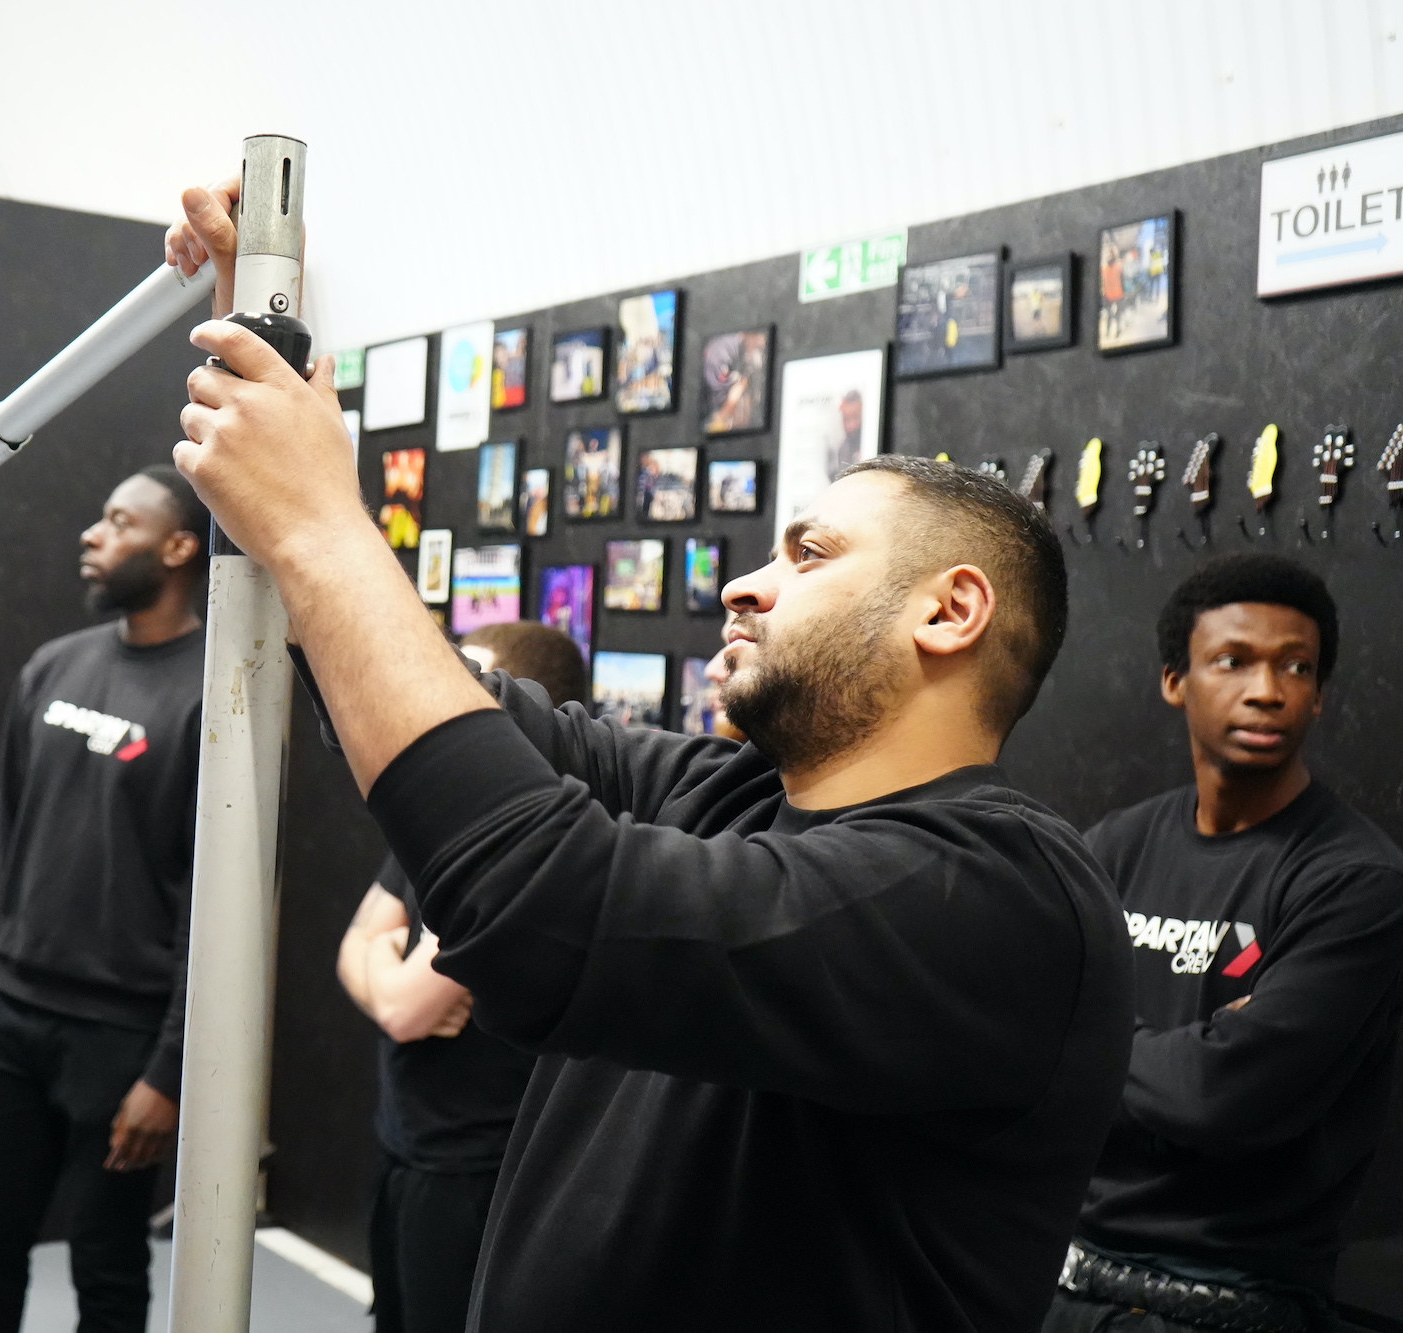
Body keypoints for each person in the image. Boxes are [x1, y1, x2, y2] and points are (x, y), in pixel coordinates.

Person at [164, 174, 1133, 1330]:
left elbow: (542, 904)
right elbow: (444, 708)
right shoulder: (728, 795)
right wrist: (262, 361)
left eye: (807, 555)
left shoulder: (996, 892)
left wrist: (323, 526)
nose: (742, 585)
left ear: (948, 610)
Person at [1045, 555, 1403, 1332]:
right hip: (1061, 1282)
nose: (1268, 689)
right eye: (1234, 660)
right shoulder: (1113, 846)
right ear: (1176, 680)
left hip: (1231, 1304)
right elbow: (1013, 1032)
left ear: (1320, 694)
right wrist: (1189, 1048)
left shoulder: (1356, 882)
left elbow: (1222, 1096)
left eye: (1296, 667)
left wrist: (1081, 1045)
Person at [0, 465, 208, 1333]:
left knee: (107, 1264)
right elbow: (0, 838)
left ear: (178, 547)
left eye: (119, 522)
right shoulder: (54, 664)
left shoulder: (215, 694)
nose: (93, 533)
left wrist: (169, 1072)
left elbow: (217, 910)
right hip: (13, 1013)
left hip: (122, 1037)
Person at [338, 622, 580, 1333]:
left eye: (469, 678)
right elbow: (354, 945)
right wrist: (385, 974)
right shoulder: (441, 814)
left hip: (478, 1173)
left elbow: (406, 1008)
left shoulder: (526, 839)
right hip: (405, 1150)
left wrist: (386, 971)